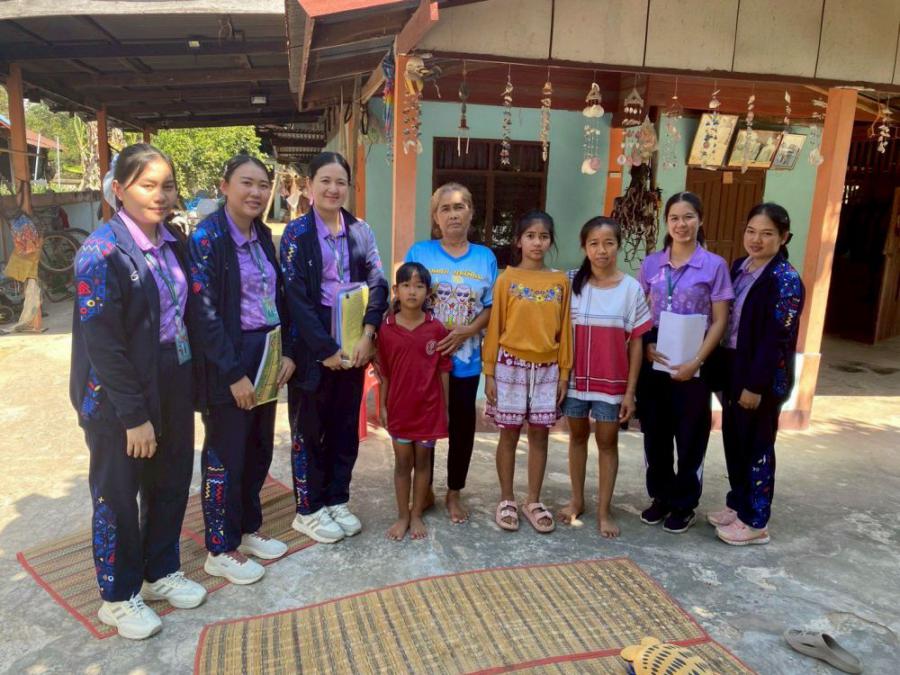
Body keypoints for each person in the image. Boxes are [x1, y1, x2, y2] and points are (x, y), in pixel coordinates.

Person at [70, 143, 206, 640]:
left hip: (171, 378)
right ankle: (118, 595)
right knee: (118, 494)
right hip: (117, 395)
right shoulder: (100, 253)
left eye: (167, 185)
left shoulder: (173, 240)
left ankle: (159, 569)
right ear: (119, 189)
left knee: (171, 479)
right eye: (148, 185)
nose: (160, 195)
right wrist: (134, 417)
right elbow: (104, 346)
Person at [189, 155, 296, 584]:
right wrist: (234, 374)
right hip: (228, 360)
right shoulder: (208, 239)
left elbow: (276, 297)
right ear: (225, 186)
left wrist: (285, 351)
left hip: (265, 352)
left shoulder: (262, 234)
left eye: (263, 185)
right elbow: (204, 315)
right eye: (246, 183)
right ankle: (219, 546)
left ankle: (248, 528)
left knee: (257, 448)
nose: (256, 192)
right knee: (225, 453)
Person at [280, 151, 388, 543]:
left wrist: (369, 334)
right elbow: (294, 297)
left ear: (349, 187)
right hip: (313, 344)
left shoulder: (361, 230)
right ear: (309, 186)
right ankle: (308, 509)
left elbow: (378, 281)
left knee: (344, 427)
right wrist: (324, 348)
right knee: (309, 428)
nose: (333, 188)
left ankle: (336, 498)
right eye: (325, 181)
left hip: (355, 337)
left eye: (340, 181)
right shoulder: (297, 234)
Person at [637, 191, 734, 534]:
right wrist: (645, 346)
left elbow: (720, 320)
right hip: (656, 358)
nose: (681, 224)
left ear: (700, 220)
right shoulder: (651, 264)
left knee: (691, 434)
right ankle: (661, 496)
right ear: (667, 222)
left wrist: (696, 361)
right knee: (655, 432)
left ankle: (684, 503)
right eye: (675, 218)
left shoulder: (714, 265)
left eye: (688, 217)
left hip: (696, 359)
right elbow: (640, 311)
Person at [710, 203, 805, 545]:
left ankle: (756, 521)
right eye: (751, 231)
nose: (756, 239)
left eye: (766, 234)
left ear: (784, 237)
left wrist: (755, 385)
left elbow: (776, 340)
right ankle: (738, 503)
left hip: (760, 375)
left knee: (757, 445)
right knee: (734, 440)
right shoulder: (740, 267)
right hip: (733, 364)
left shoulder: (785, 280)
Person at [405, 183, 497, 524]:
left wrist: (468, 331)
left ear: (471, 213)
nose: (453, 214)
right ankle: (425, 488)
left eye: (460, 207)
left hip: (466, 361)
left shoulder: (485, 257)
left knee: (461, 429)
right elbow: (407, 299)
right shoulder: (420, 252)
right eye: (445, 208)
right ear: (435, 217)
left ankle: (454, 492)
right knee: (423, 428)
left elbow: (491, 307)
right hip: (425, 362)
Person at [559, 217, 652, 538]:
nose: (602, 250)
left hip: (612, 384)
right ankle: (577, 500)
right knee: (577, 438)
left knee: (607, 442)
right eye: (594, 244)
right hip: (574, 379)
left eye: (609, 243)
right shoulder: (570, 283)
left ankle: (604, 510)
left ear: (619, 246)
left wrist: (630, 392)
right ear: (584, 247)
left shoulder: (631, 289)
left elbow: (637, 343)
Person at [483, 211, 572, 534]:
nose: (537, 243)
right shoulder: (506, 279)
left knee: (539, 435)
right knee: (508, 434)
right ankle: (506, 498)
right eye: (530, 236)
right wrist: (489, 372)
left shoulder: (560, 281)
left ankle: (533, 500)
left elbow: (566, 329)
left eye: (544, 236)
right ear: (518, 241)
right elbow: (495, 327)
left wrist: (564, 373)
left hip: (548, 369)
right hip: (510, 366)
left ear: (550, 242)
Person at [377, 262, 452, 541]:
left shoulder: (436, 329)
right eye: (406, 285)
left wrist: (444, 409)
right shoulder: (386, 330)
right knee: (402, 464)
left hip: (429, 410)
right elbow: (384, 373)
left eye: (419, 286)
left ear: (428, 293)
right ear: (396, 290)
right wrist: (382, 406)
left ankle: (417, 512)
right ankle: (402, 515)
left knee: (423, 463)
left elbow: (444, 370)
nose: (412, 291)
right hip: (399, 409)